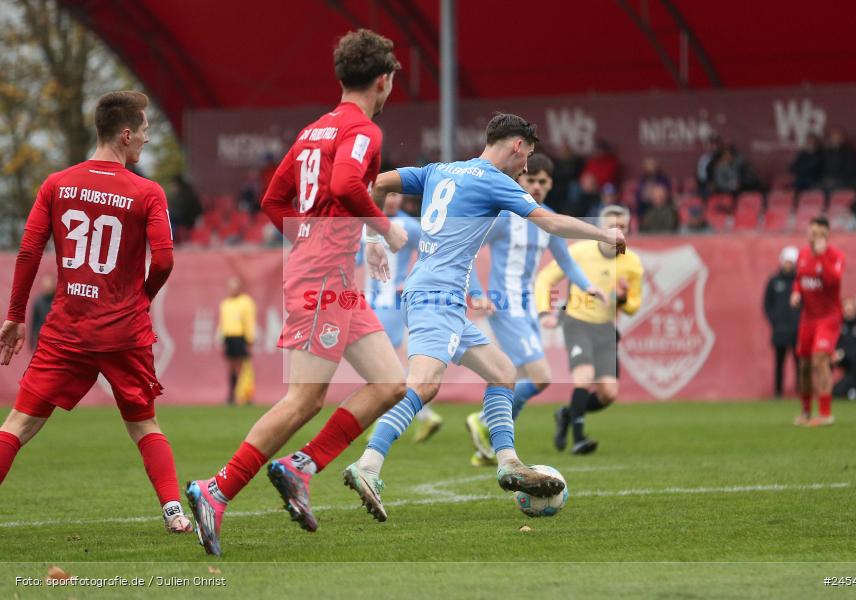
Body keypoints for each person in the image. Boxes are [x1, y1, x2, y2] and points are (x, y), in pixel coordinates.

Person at [185, 29, 409, 556]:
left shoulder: (313, 131)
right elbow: (346, 188)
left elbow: (273, 198)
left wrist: (317, 240)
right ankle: (214, 491)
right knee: (304, 398)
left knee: (391, 382)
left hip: (330, 276)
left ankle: (298, 466)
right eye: (392, 78)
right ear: (384, 80)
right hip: (321, 279)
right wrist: (382, 230)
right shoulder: (364, 131)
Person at [344, 113, 626, 522]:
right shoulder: (495, 180)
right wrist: (604, 232)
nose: (526, 168)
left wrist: (372, 236)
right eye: (527, 157)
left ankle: (509, 461)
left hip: (441, 296)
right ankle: (369, 464)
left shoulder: (439, 170)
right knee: (423, 385)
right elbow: (550, 222)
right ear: (515, 146)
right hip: (435, 297)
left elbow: (375, 181)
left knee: (502, 372)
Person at [0, 91, 191, 533]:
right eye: (143, 131)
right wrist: (141, 299)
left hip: (68, 328)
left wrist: (14, 314)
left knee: (19, 423)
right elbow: (163, 260)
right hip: (123, 331)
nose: (145, 139)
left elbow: (29, 250)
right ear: (125, 134)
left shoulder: (56, 184)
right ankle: (173, 511)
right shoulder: (146, 191)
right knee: (144, 424)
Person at [464, 153, 599, 466]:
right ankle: (485, 421)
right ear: (518, 180)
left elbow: (565, 261)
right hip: (504, 305)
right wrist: (477, 294)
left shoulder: (548, 219)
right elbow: (466, 252)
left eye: (542, 181)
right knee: (540, 377)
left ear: (550, 183)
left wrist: (586, 285)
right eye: (530, 180)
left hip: (525, 306)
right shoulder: (503, 217)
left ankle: (492, 443)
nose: (536, 186)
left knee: (518, 374)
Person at [535, 205, 643, 454]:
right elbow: (545, 278)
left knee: (608, 393)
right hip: (576, 322)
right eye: (612, 227)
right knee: (583, 377)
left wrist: (624, 299)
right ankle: (579, 439)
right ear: (599, 230)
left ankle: (566, 413)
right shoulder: (580, 252)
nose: (618, 232)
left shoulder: (633, 264)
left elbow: (634, 306)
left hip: (605, 328)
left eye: (623, 227)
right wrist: (545, 312)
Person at [358, 192, 444, 443]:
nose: (393, 200)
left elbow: (431, 255)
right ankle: (424, 415)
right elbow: (354, 259)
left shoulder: (409, 226)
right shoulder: (368, 224)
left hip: (392, 304)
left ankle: (386, 419)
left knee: (380, 365)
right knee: (382, 366)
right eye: (390, 194)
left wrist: (411, 281)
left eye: (398, 194)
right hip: (371, 303)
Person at [790, 216, 844, 426]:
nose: (813, 237)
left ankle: (825, 413)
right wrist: (796, 293)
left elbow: (834, 281)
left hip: (828, 318)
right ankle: (805, 411)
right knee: (803, 364)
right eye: (811, 232)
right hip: (808, 319)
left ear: (826, 235)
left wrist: (822, 258)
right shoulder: (802, 254)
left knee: (820, 359)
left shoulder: (836, 256)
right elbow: (799, 279)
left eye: (818, 233)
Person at [763, 246, 801, 397]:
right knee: (779, 363)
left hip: (797, 330)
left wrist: (800, 321)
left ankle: (800, 390)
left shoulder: (800, 281)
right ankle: (778, 391)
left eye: (791, 262)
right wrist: (775, 321)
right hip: (779, 330)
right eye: (787, 262)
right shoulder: (774, 281)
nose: (788, 265)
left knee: (799, 363)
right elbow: (767, 304)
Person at [217, 276, 257, 405]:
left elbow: (249, 321)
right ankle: (232, 394)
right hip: (229, 337)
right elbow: (222, 323)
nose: (233, 289)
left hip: (240, 337)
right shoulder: (225, 304)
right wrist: (221, 339)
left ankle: (245, 395)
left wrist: (250, 338)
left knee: (243, 367)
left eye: (235, 286)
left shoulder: (246, 302)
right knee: (231, 368)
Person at [28, 275, 55, 351]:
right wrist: (31, 339)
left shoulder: (57, 301)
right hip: (40, 336)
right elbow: (34, 320)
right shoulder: (38, 301)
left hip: (53, 336)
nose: (48, 289)